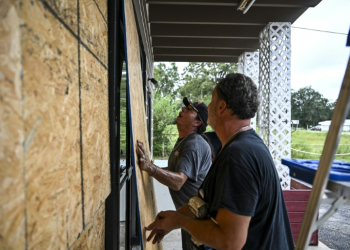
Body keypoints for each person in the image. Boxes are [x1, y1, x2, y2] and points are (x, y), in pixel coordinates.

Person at [144, 73, 294, 250]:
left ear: (221, 106)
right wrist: (174, 218)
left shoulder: (238, 155)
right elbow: (203, 200)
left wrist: (179, 220)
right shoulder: (240, 146)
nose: (208, 106)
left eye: (211, 100)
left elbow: (229, 241)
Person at [136, 97, 212, 250]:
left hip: (201, 223)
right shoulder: (186, 141)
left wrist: (151, 169)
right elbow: (173, 172)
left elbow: (178, 182)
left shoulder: (193, 144)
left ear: (197, 123)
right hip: (190, 217)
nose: (183, 109)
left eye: (190, 110)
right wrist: (150, 165)